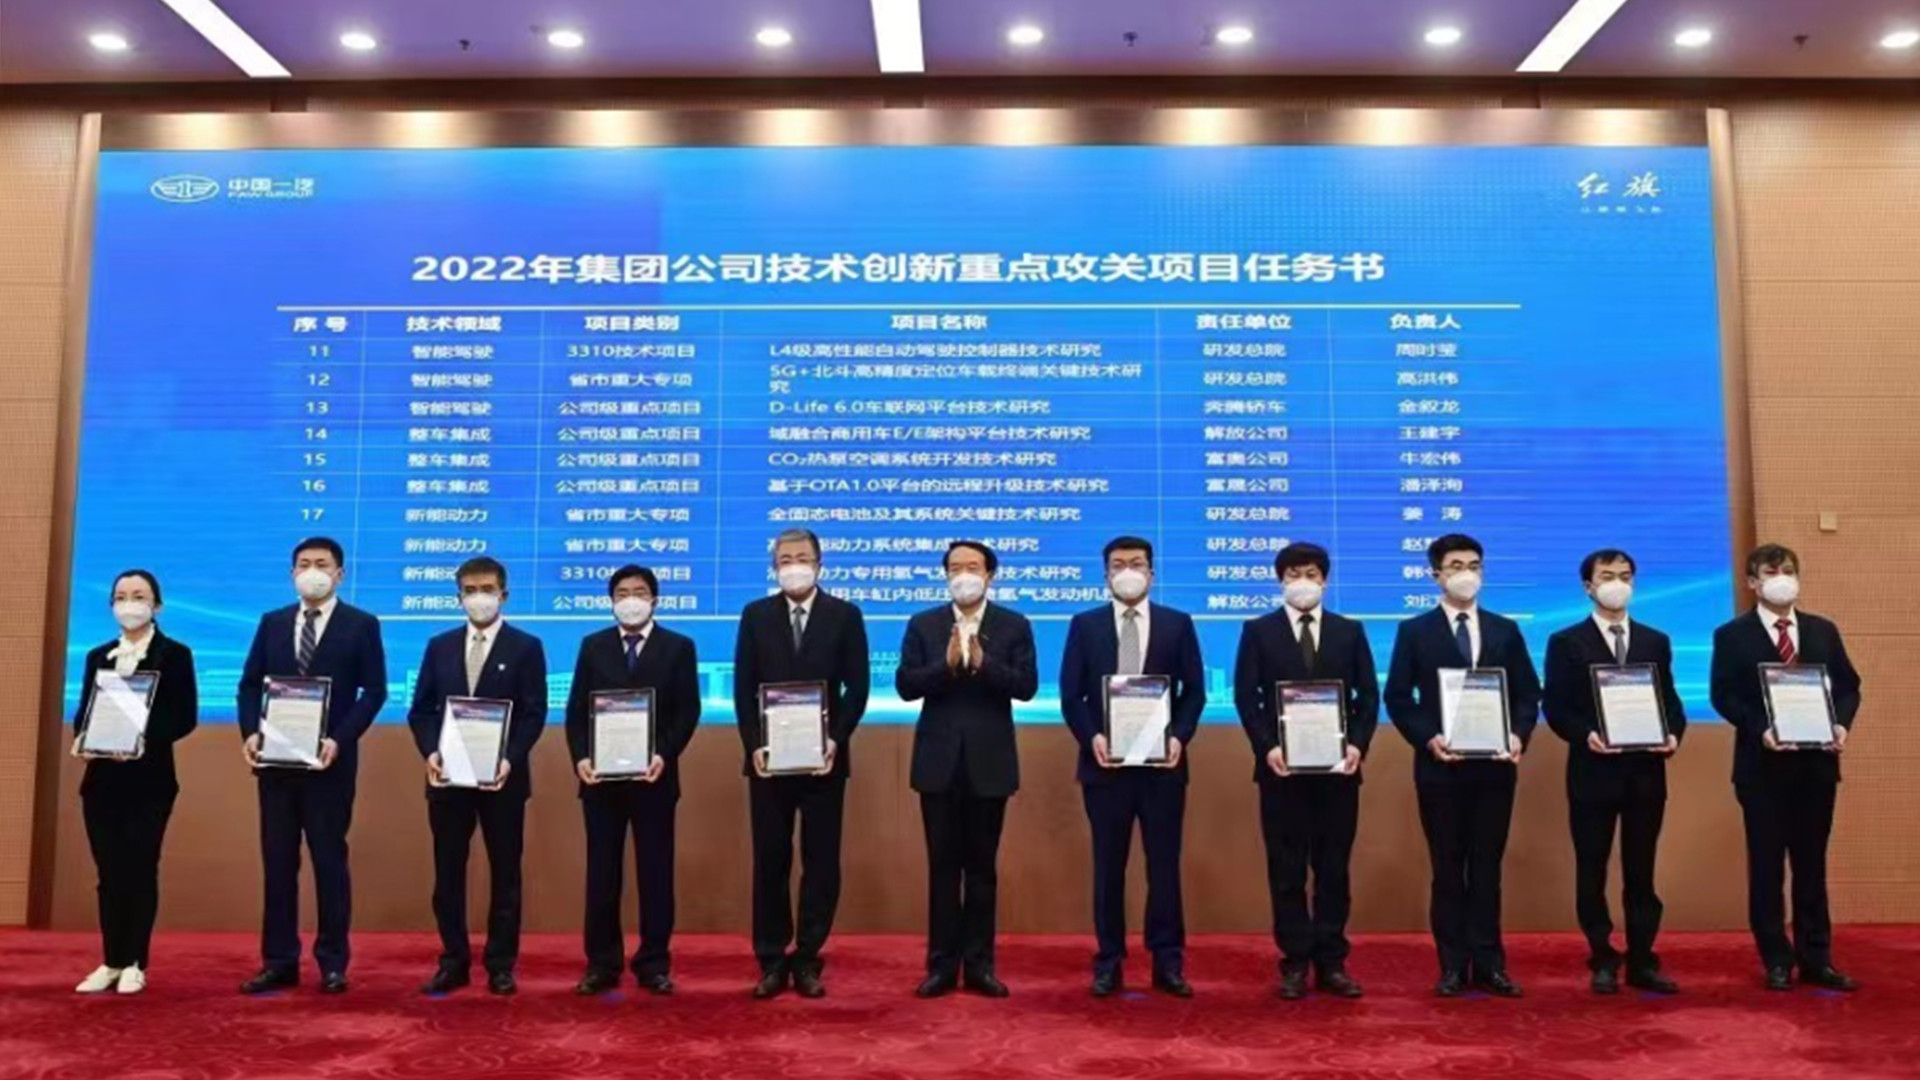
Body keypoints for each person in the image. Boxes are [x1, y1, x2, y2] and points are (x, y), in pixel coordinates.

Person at [1385, 533, 1540, 998]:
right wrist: (1428, 737)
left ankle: (1490, 964)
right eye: (1456, 566)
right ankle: (1452, 965)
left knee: (1488, 868)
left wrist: (1518, 734)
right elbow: (1398, 697)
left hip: (1495, 768)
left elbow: (1528, 693)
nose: (1466, 574)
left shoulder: (1504, 629)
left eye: (1474, 565)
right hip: (1440, 769)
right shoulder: (1414, 631)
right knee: (1448, 868)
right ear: (1436, 574)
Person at [236, 537, 388, 995]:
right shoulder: (273, 622)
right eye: (303, 564)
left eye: (322, 564)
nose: (312, 572)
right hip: (277, 765)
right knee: (278, 863)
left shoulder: (361, 624)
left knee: (329, 861)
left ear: (339, 574)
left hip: (329, 765)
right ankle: (279, 961)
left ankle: (333, 962)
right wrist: (250, 732)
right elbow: (249, 685)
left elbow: (374, 691)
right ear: (292, 574)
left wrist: (340, 739)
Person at [1711, 543, 1863, 992]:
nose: (1782, 578)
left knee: (1811, 865)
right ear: (1752, 582)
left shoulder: (1822, 630)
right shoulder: (1732, 635)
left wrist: (1840, 724)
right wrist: (1761, 728)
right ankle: (1776, 958)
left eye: (1789, 570)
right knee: (1767, 865)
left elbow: (1849, 687)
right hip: (1762, 767)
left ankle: (1817, 957)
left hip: (1817, 765)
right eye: (1771, 571)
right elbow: (1724, 695)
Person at [1058, 536, 1204, 998]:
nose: (1128, 571)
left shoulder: (1177, 624)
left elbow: (1194, 692)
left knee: (1164, 868)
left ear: (1151, 573)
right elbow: (1071, 695)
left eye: (1136, 563)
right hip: (1105, 767)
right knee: (1108, 868)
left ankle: (1168, 962)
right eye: (1118, 564)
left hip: (1163, 767)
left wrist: (1179, 736)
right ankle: (1109, 961)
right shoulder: (1085, 625)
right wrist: (1092, 738)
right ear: (1106, 575)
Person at [1232, 542, 1376, 1000]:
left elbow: (1368, 697)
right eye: (1293, 574)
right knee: (1287, 871)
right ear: (1281, 581)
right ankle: (1294, 961)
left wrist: (1357, 744)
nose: (1303, 582)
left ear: (1324, 580)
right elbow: (1246, 697)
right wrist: (1267, 747)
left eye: (1311, 573)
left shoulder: (1349, 631)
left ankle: (1332, 962)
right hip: (1282, 773)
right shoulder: (1259, 631)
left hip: (1339, 772)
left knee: (1333, 870)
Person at [733, 528, 870, 999]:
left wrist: (835, 739)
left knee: (821, 860)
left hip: (823, 761)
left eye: (802, 557)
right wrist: (753, 743)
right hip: (768, 761)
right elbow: (743, 687)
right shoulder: (755, 615)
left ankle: (809, 955)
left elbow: (858, 687)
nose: (794, 565)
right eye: (785, 559)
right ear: (774, 567)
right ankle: (771, 959)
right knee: (770, 859)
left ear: (819, 563)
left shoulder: (845, 615)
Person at [1543, 549, 1686, 995]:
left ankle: (1643, 959)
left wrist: (1673, 734)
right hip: (1593, 772)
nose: (1617, 584)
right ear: (1588, 586)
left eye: (1625, 576)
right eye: (1607, 576)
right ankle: (1602, 956)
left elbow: (1671, 702)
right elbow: (1556, 706)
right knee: (1592, 868)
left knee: (1642, 871)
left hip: (1646, 772)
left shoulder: (1655, 640)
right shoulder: (1566, 641)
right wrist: (1585, 734)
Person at [901, 540, 1039, 998]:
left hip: (989, 763)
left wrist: (985, 663)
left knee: (981, 870)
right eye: (955, 567)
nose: (964, 575)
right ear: (945, 575)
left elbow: (1026, 686)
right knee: (942, 869)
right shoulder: (924, 624)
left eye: (973, 567)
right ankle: (941, 966)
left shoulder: (1014, 625)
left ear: (990, 575)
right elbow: (905, 685)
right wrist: (944, 666)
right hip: (938, 763)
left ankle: (980, 965)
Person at [406, 556, 548, 996]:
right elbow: (421, 710)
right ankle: (453, 961)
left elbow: (533, 713)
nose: (478, 597)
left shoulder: (526, 647)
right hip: (448, 780)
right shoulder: (440, 646)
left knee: (505, 874)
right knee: (448, 873)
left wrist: (511, 758)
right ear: (459, 597)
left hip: (502, 780)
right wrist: (431, 751)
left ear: (504, 594)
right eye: (470, 590)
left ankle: (500, 965)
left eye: (487, 589)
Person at [567, 565, 702, 996]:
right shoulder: (593, 646)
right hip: (601, 781)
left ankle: (653, 963)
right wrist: (581, 757)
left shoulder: (678, 647)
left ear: (654, 600)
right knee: (602, 876)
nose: (631, 600)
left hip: (654, 779)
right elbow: (576, 712)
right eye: (622, 593)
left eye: (639, 592)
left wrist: (663, 754)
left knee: (655, 875)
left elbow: (688, 711)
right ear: (611, 602)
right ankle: (601, 964)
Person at [70, 570, 198, 994]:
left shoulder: (175, 655)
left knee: (140, 868)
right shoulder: (98, 656)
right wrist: (85, 738)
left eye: (139, 595)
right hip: (102, 781)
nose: (130, 603)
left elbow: (184, 717)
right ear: (111, 605)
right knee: (109, 872)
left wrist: (140, 738)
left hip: (150, 781)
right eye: (121, 596)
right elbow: (84, 713)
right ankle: (111, 960)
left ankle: (135, 963)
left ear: (156, 604)